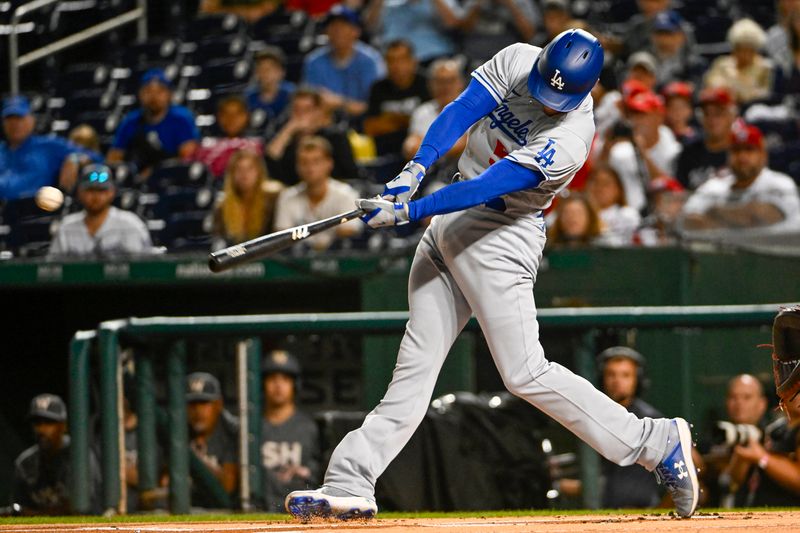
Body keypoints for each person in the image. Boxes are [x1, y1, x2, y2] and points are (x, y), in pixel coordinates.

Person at [286, 28, 699, 520]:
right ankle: (351, 478)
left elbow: (490, 186)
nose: (548, 103)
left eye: (560, 98)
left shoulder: (572, 138)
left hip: (501, 233)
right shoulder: (520, 60)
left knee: (525, 372)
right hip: (451, 218)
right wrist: (415, 169)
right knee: (413, 370)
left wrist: (411, 210)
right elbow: (462, 109)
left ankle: (655, 441)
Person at [680, 123, 800, 234]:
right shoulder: (714, 186)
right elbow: (687, 221)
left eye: (749, 150)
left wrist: (713, 212)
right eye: (736, 150)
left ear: (763, 155)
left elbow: (758, 218)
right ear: (728, 156)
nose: (742, 156)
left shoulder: (779, 183)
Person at [597, 347, 664, 508]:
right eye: (611, 374)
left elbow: (687, 461)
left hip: (642, 510)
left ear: (638, 380)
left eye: (625, 375)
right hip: (603, 508)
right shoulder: (595, 415)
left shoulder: (650, 418)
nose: (617, 381)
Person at [12, 394, 100, 515]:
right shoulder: (24, 464)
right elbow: (20, 509)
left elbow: (80, 508)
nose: (41, 429)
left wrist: (36, 514)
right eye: (37, 423)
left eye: (49, 422)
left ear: (63, 426)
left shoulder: (80, 456)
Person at [0, 96, 101, 200]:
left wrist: (75, 158)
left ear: (31, 120)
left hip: (36, 210)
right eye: (9, 119)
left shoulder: (49, 146)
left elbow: (96, 157)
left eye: (19, 118)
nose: (14, 124)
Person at [273, 136, 362, 252]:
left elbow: (350, 232)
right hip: (298, 262)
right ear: (297, 166)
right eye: (304, 162)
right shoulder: (287, 197)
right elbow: (282, 237)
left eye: (316, 161)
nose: (310, 168)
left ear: (329, 163)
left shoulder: (346, 195)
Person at [48, 163, 154, 259]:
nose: (96, 196)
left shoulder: (130, 224)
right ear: (79, 192)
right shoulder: (66, 227)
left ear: (112, 192)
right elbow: (52, 269)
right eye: (90, 190)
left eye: (101, 191)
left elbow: (144, 268)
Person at [107, 68, 200, 177]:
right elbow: (114, 158)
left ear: (169, 94)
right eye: (148, 91)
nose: (153, 97)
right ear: (140, 94)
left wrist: (156, 172)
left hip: (172, 179)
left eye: (160, 91)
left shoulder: (181, 118)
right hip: (137, 179)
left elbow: (188, 158)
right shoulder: (131, 121)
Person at [260, 350, 320, 512]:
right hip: (260, 509)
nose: (278, 385)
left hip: (302, 509)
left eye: (285, 379)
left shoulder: (308, 426)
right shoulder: (252, 426)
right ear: (263, 384)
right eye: (272, 379)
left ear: (295, 384)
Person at [301, 5, 386, 120]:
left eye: (343, 26)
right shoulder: (314, 62)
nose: (337, 31)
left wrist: (339, 103)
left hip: (365, 123)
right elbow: (310, 103)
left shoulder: (371, 60)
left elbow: (374, 107)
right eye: (333, 26)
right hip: (325, 123)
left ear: (356, 31)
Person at [604, 90, 682, 213]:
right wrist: (607, 144)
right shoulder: (620, 152)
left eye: (643, 114)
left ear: (659, 117)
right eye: (634, 114)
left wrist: (643, 153)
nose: (637, 120)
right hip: (626, 218)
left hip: (661, 217)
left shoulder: (672, 150)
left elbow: (673, 189)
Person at [265, 87, 360, 185]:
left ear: (317, 111)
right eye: (296, 109)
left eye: (307, 109)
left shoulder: (335, 137)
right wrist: (289, 129)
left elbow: (351, 174)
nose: (301, 115)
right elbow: (270, 160)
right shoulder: (285, 140)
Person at [401, 58, 467, 181]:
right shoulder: (422, 112)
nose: (445, 87)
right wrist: (446, 146)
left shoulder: (470, 110)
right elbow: (409, 148)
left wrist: (426, 148)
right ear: (431, 85)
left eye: (450, 81)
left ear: (460, 83)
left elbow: (461, 145)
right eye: (440, 81)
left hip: (461, 175)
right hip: (426, 176)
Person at [363, 40, 430, 157]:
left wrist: (390, 120)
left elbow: (430, 123)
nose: (396, 66)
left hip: (419, 152)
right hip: (384, 153)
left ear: (413, 61)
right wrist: (406, 121)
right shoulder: (378, 88)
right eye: (391, 60)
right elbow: (370, 127)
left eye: (401, 60)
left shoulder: (426, 84)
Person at [211, 149, 284, 250]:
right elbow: (219, 239)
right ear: (232, 174)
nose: (244, 174)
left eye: (250, 169)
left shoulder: (274, 197)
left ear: (259, 171)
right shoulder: (222, 205)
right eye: (239, 169)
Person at [185, 372, 238, 507]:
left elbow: (228, 486)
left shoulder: (231, 430)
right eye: (192, 404)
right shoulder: (177, 431)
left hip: (225, 512)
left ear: (218, 404)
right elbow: (164, 482)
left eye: (204, 403)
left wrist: (197, 461)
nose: (197, 410)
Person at [675, 87, 738, 190]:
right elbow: (680, 193)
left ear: (732, 116)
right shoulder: (689, 153)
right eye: (706, 114)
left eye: (718, 114)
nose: (712, 120)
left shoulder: (741, 151)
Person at [362, 0, 462, 64]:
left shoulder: (438, 3)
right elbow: (367, 27)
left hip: (434, 58)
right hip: (395, 61)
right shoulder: (389, 4)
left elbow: (453, 24)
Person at [703, 19, 775, 106]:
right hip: (723, 105)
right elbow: (711, 82)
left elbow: (764, 93)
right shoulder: (722, 63)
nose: (744, 54)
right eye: (740, 49)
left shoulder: (765, 68)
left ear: (755, 50)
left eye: (749, 49)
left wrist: (740, 91)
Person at [193, 95, 265, 178]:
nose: (231, 119)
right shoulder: (206, 148)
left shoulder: (257, 146)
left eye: (237, 114)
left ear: (246, 116)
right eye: (226, 114)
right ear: (219, 117)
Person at [459, 0, 539, 68]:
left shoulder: (521, 2)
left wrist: (510, 5)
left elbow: (530, 34)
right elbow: (463, 30)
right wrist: (477, 6)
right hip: (475, 58)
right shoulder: (473, 2)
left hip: (508, 59)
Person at [647, 10, 706, 87]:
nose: (663, 40)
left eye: (668, 34)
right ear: (652, 37)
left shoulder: (693, 65)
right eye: (659, 34)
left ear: (681, 36)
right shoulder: (644, 61)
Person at [586, 165, 641, 246]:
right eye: (595, 182)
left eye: (606, 184)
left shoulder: (628, 215)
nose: (600, 188)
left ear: (618, 189)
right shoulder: (581, 215)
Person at [245, 47, 296, 126]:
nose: (265, 74)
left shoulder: (292, 94)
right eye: (261, 69)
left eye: (269, 69)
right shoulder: (249, 97)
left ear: (281, 72)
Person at [198, 0, 280, 22]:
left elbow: (268, 7)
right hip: (224, 26)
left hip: (261, 27)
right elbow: (207, 9)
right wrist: (243, 12)